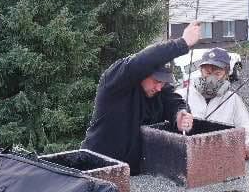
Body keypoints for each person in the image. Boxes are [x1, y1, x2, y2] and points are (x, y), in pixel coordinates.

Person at [82, 21, 202, 173]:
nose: (159, 87)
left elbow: (175, 102)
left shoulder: (160, 89)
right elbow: (140, 62)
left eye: (164, 82)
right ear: (142, 73)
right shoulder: (116, 82)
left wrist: (180, 114)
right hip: (98, 168)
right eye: (156, 80)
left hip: (135, 174)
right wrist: (182, 43)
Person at [179, 47, 249, 158]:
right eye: (207, 72)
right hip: (188, 159)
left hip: (221, 161)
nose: (211, 78)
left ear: (226, 74)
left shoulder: (233, 99)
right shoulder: (181, 96)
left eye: (217, 73)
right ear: (200, 71)